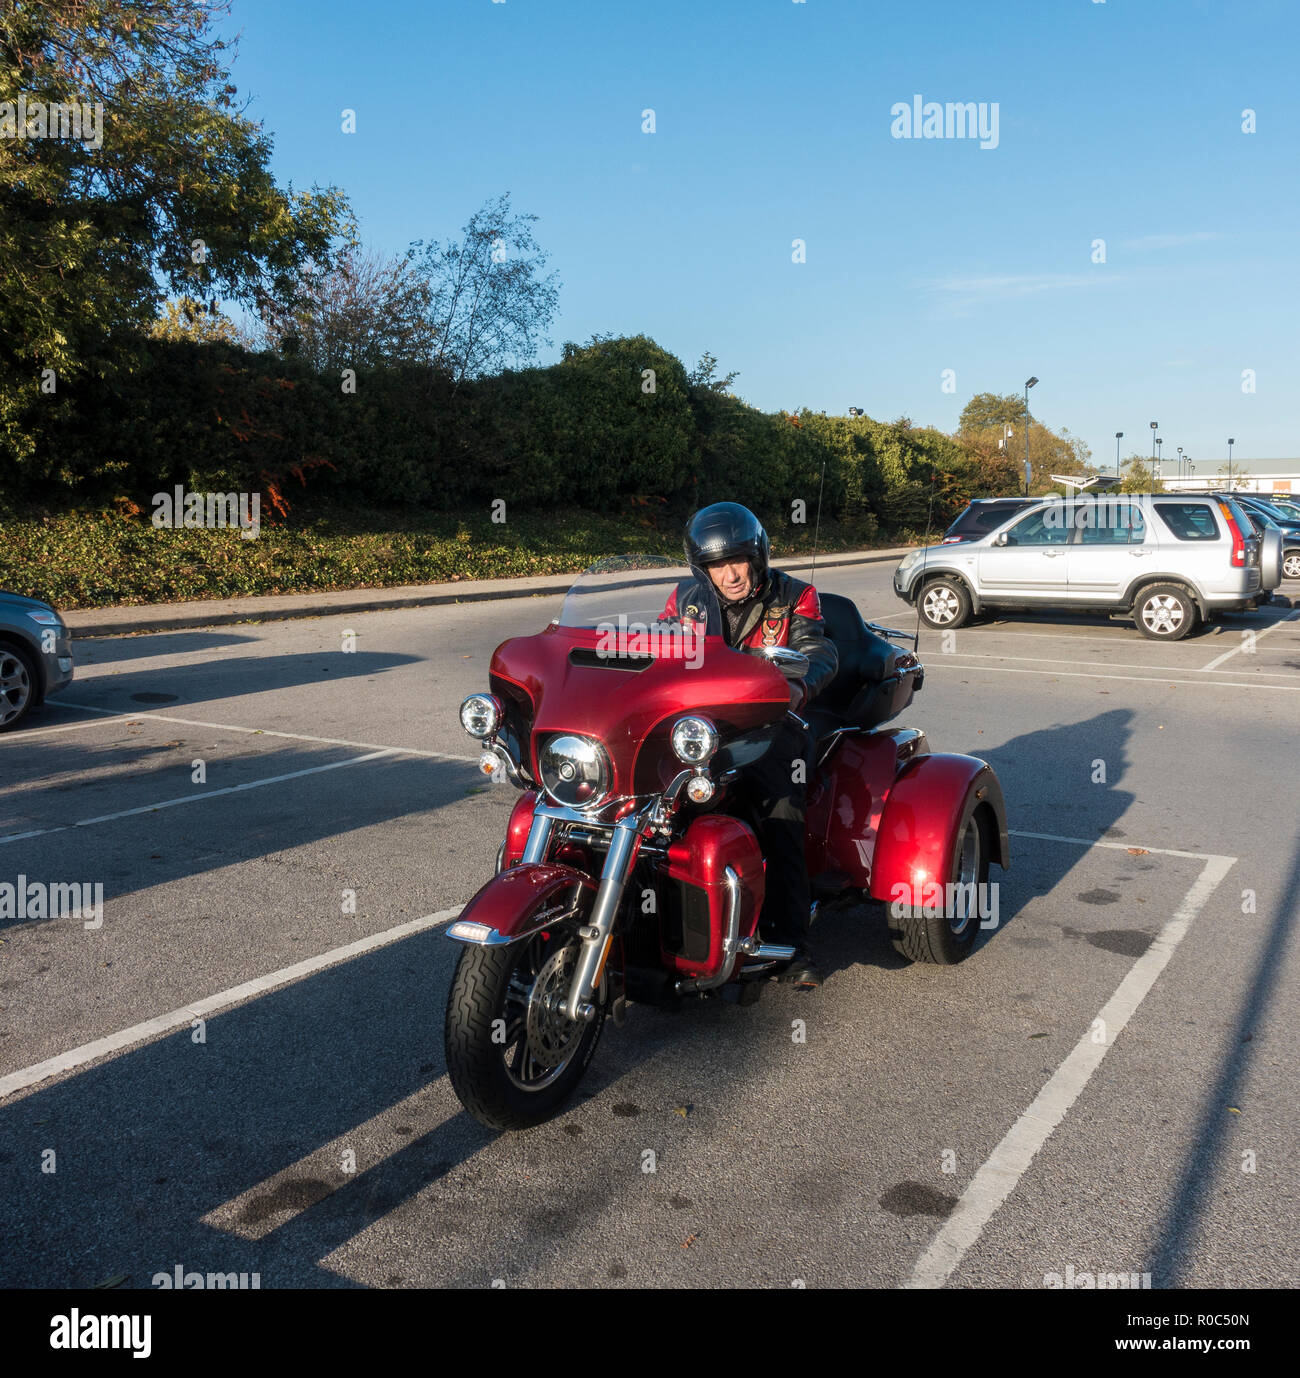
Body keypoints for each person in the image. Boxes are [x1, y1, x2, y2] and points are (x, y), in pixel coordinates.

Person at [662, 503, 838, 989]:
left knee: (781, 810)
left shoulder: (796, 595)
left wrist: (799, 684)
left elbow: (817, 648)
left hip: (772, 723)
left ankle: (792, 944)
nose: (730, 574)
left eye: (737, 560)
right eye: (717, 565)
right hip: (699, 725)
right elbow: (656, 646)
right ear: (703, 568)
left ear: (756, 555)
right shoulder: (685, 599)